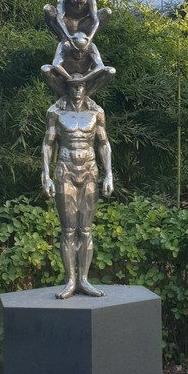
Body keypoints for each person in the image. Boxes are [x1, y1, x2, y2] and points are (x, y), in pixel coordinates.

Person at [41, 77, 113, 299]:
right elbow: (47, 144)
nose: (78, 89)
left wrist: (109, 174)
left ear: (87, 87)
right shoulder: (56, 112)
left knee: (86, 229)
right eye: (73, 85)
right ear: (67, 87)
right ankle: (71, 280)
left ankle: (84, 279)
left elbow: (103, 143)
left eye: (81, 85)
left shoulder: (96, 112)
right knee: (68, 230)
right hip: (65, 170)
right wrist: (45, 176)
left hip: (89, 170)